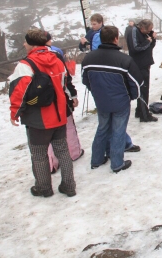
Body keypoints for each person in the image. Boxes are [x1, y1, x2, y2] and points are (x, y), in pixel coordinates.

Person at [8, 28, 76, 197]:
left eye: (25, 41)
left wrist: (14, 112)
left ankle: (44, 187)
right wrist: (71, 98)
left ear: (31, 43)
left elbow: (18, 92)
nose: (24, 44)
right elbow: (65, 84)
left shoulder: (25, 65)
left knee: (39, 155)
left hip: (38, 120)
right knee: (63, 152)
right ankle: (69, 186)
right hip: (59, 116)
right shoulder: (57, 59)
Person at [82, 26, 144, 173]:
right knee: (118, 130)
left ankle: (96, 159)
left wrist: (96, 92)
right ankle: (117, 163)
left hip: (101, 101)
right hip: (120, 102)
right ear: (116, 39)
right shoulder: (124, 60)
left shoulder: (89, 58)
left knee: (102, 128)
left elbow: (85, 80)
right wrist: (131, 96)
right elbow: (137, 82)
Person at [45, 33, 84, 172]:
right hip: (61, 99)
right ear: (49, 40)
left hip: (43, 103)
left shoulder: (28, 60)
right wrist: (72, 95)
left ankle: (51, 163)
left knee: (46, 133)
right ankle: (73, 153)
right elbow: (65, 78)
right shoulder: (56, 53)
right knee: (68, 127)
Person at [127, 19, 158, 122]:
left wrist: (153, 39)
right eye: (148, 30)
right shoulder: (134, 32)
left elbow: (150, 47)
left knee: (144, 88)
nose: (149, 32)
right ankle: (144, 115)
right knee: (143, 89)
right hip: (139, 64)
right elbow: (136, 48)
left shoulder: (143, 33)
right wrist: (148, 41)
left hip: (145, 63)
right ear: (142, 28)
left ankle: (140, 110)